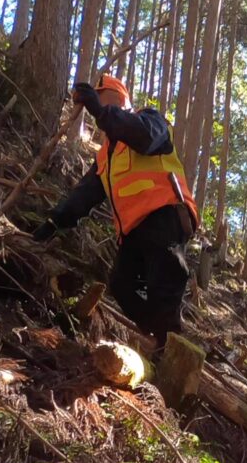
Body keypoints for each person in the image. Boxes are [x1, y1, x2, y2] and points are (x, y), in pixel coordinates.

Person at [32, 74, 199, 348]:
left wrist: (101, 111)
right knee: (122, 285)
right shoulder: (106, 155)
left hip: (165, 215)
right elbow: (84, 195)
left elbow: (144, 137)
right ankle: (160, 339)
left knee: (164, 282)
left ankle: (172, 347)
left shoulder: (149, 120)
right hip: (133, 231)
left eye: (104, 102)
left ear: (119, 103)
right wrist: (54, 221)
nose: (100, 113)